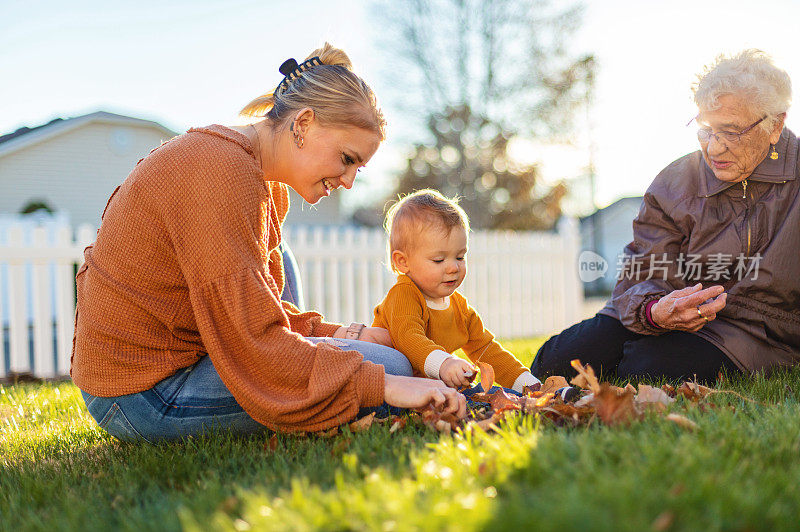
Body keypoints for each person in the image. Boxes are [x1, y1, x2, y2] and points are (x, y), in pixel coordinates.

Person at [71, 43, 467, 443]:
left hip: (195, 353)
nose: (349, 181)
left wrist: (347, 335)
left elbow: (257, 313)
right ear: (303, 123)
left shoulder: (263, 186)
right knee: (394, 368)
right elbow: (253, 342)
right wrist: (385, 387)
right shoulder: (221, 172)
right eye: (347, 159)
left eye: (358, 168)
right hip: (145, 393)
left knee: (375, 352)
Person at [532, 49, 798, 384]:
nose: (714, 148)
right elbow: (643, 267)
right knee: (556, 364)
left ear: (776, 124)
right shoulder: (676, 180)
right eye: (705, 129)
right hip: (664, 308)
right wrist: (653, 311)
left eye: (731, 131)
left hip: (756, 330)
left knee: (647, 369)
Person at [372, 189, 541, 392]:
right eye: (439, 260)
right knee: (475, 396)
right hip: (390, 387)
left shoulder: (459, 307)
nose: (453, 267)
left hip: (432, 388)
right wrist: (444, 363)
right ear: (403, 262)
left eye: (460, 257)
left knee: (491, 394)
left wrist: (527, 382)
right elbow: (409, 338)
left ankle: (536, 391)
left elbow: (486, 349)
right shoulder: (403, 295)